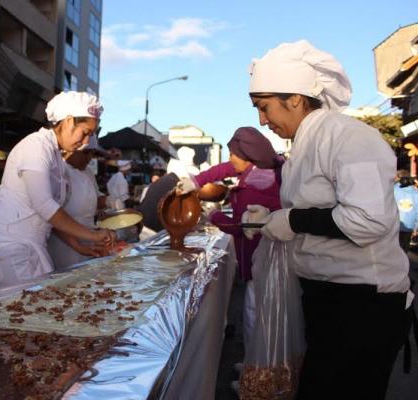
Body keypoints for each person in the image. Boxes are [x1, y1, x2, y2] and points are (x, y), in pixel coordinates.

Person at [244, 40, 412, 399]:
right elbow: (317, 209)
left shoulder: (349, 137)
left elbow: (367, 221)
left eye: (264, 107)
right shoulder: (301, 147)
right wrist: (272, 218)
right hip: (327, 298)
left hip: (364, 305)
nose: (262, 119)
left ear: (295, 97)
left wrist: (293, 220)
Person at [0, 91, 115, 289]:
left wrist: (77, 245)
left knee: (44, 309)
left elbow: (51, 215)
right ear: (68, 121)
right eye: (85, 133)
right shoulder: (35, 146)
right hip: (7, 248)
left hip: (31, 247)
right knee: (26, 313)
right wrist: (92, 235)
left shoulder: (56, 155)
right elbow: (44, 205)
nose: (85, 142)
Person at [177, 127, 282, 355]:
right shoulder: (261, 170)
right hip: (261, 259)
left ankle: (255, 368)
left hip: (262, 261)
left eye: (233, 154)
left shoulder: (256, 186)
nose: (230, 160)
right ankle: (254, 364)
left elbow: (238, 227)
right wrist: (195, 181)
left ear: (247, 156)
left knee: (256, 315)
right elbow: (224, 168)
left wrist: (213, 213)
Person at [48, 135, 107, 270]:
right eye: (85, 153)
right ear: (72, 149)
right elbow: (51, 215)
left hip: (89, 239)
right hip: (64, 244)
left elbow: (97, 200)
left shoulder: (88, 172)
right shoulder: (59, 171)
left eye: (91, 153)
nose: (88, 158)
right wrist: (77, 245)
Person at [394, 171, 418, 252]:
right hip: (409, 226)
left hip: (394, 225)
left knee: (394, 251)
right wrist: (416, 227)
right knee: (404, 250)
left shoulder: (393, 190)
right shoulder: (416, 192)